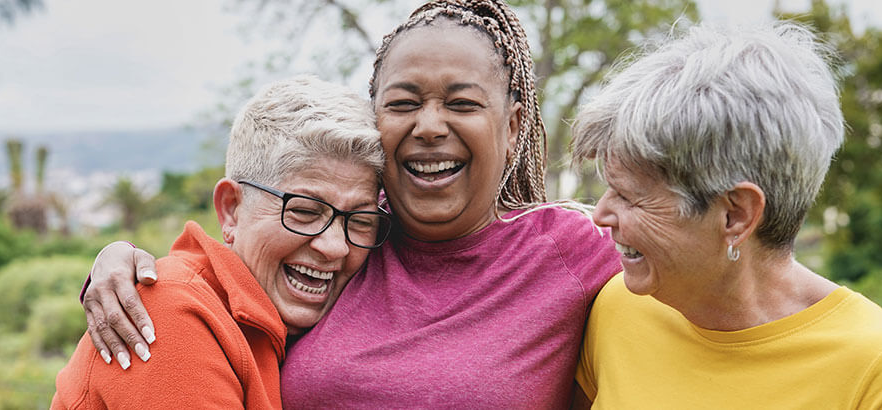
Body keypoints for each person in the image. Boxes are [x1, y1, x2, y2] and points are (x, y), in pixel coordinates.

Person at [80, 1, 621, 407]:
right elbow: (232, 264)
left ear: (512, 126)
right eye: (403, 103)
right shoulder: (354, 242)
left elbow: (689, 266)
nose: (430, 126)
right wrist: (125, 263)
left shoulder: (571, 249)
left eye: (462, 103)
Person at [569, 22, 882, 408]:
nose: (601, 213)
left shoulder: (879, 370)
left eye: (630, 197)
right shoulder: (618, 309)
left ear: (735, 216)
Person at [51, 75, 389, 408]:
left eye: (359, 220)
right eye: (303, 211)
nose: (335, 247)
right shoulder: (171, 317)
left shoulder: (275, 320)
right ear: (231, 209)